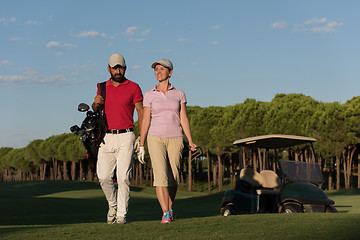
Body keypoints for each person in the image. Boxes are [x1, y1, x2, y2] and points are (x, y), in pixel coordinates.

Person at [138, 59, 197, 223]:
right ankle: (165, 212)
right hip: (155, 137)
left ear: (170, 72)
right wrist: (141, 144)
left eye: (162, 69)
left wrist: (190, 141)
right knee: (160, 176)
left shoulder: (179, 94)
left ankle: (170, 208)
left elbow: (183, 118)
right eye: (156, 69)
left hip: (176, 138)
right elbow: (145, 120)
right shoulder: (149, 94)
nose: (158, 72)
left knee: (173, 178)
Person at [92, 53, 144, 224]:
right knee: (104, 177)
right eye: (114, 67)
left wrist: (142, 138)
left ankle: (121, 215)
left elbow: (141, 112)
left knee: (123, 178)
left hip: (126, 136)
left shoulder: (134, 87)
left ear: (125, 68)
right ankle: (112, 205)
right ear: (109, 69)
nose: (117, 70)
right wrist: (96, 103)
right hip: (106, 137)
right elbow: (96, 110)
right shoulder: (102, 87)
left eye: (120, 67)